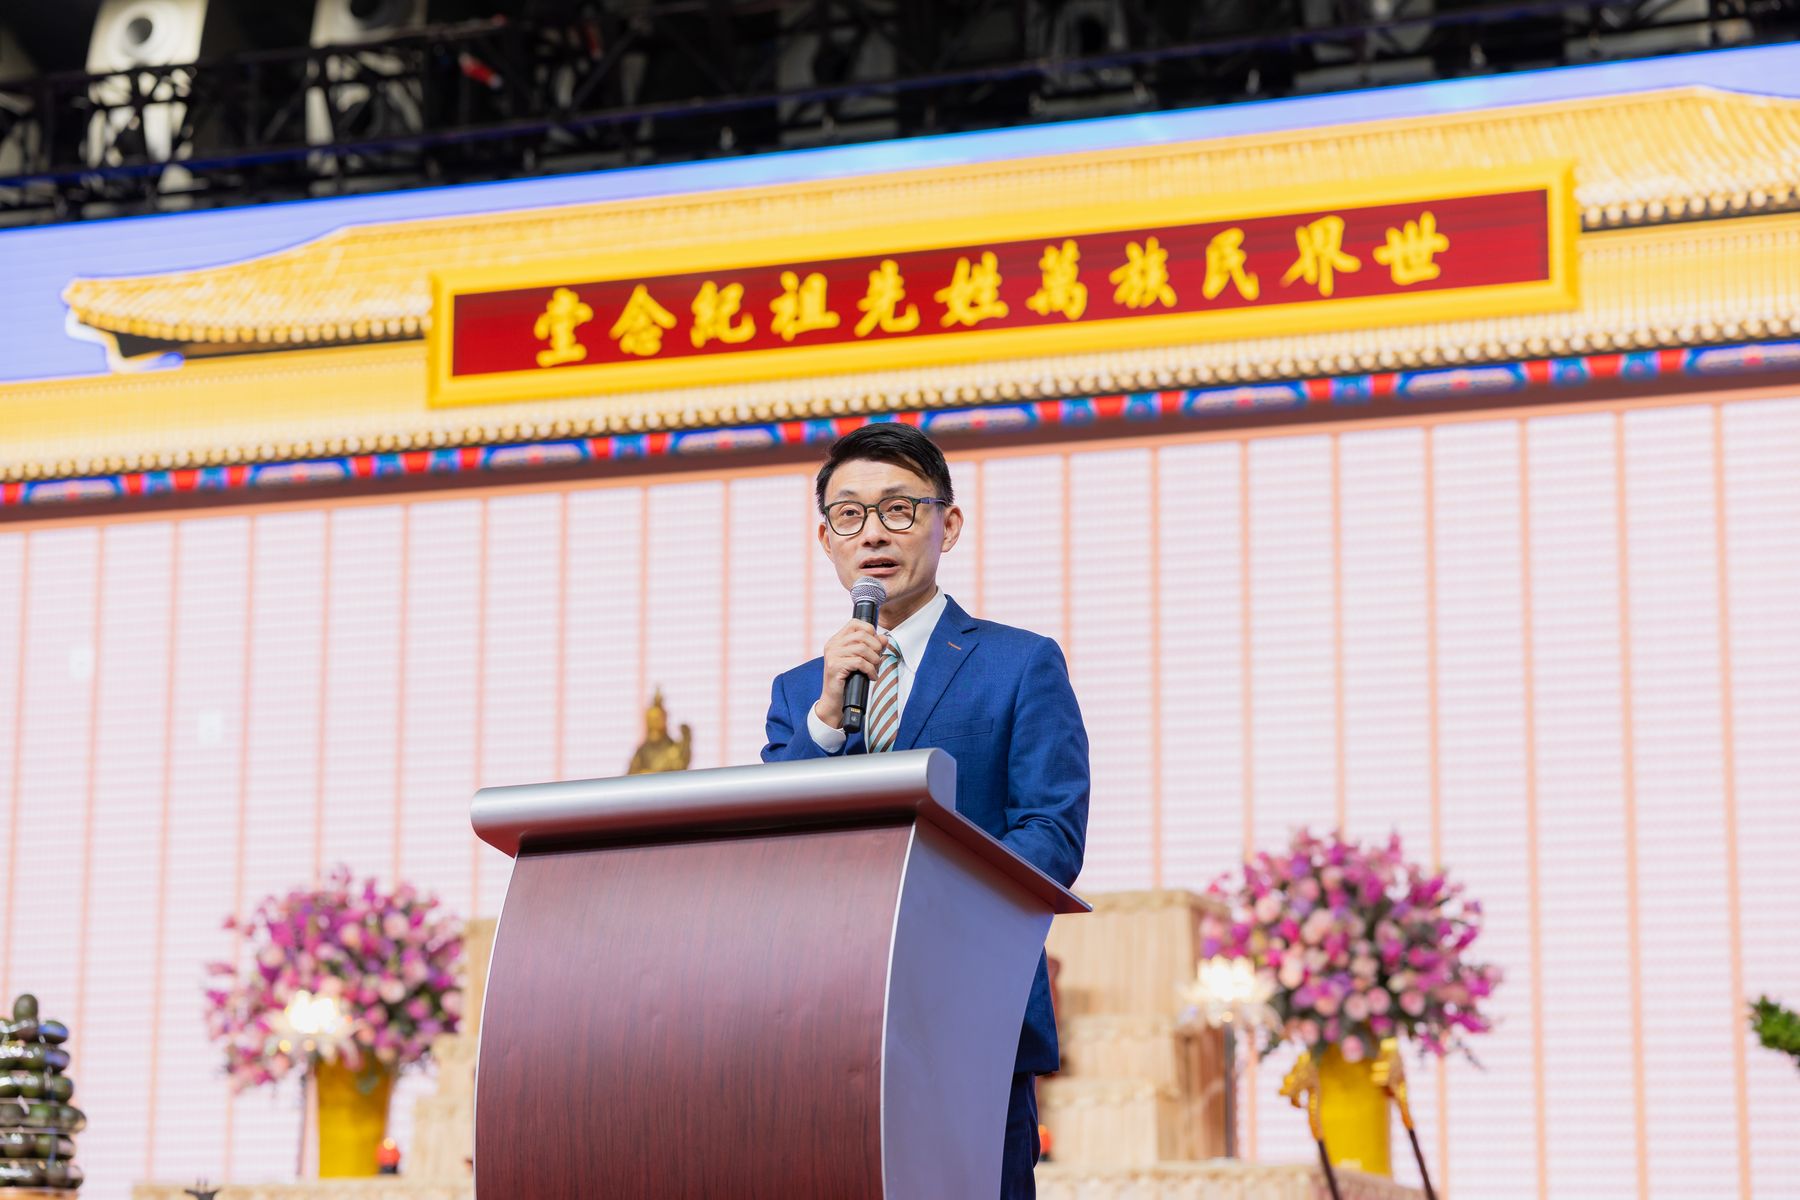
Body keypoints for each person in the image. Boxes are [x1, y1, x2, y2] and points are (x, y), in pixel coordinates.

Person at [762, 421, 1089, 1199]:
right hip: (824, 1022)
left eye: (899, 509)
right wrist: (825, 720)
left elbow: (1050, 832)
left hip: (968, 1013)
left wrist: (928, 909)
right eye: (849, 515)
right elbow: (775, 846)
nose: (873, 533)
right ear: (826, 539)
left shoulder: (1019, 663)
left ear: (949, 525)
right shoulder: (801, 692)